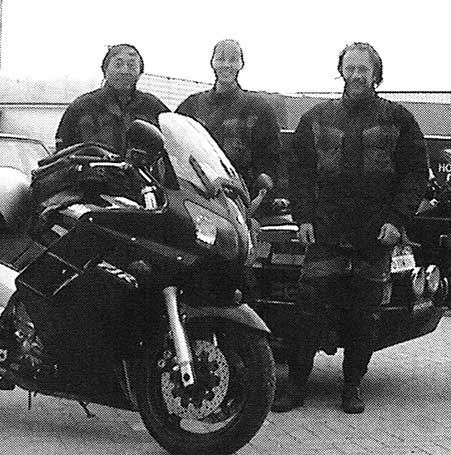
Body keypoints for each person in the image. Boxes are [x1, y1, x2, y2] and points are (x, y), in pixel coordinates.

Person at [271, 42, 429, 414]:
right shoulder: (316, 118)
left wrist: (397, 220)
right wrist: (304, 217)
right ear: (341, 70)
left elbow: (415, 174)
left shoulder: (399, 120)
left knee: (364, 317)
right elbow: (299, 173)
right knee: (307, 311)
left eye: (364, 69)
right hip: (326, 231)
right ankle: (296, 387)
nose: (356, 75)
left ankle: (352, 386)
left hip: (375, 234)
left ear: (376, 75)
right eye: (350, 68)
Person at [176, 39, 280, 188]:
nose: (226, 65)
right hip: (198, 191)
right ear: (212, 63)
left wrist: (264, 179)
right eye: (220, 59)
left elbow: (270, 157)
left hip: (242, 192)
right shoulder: (191, 106)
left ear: (241, 64)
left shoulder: (259, 109)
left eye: (233, 60)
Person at [55, 44, 169, 153]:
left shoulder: (152, 106)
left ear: (140, 73)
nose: (124, 71)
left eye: (131, 65)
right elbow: (63, 149)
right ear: (105, 70)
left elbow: (173, 143)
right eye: (118, 65)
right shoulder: (83, 106)